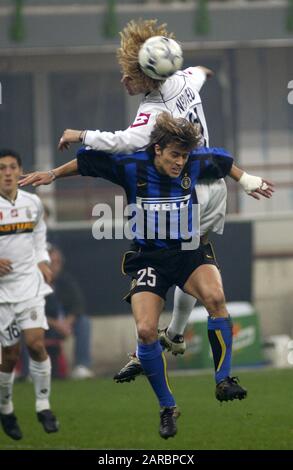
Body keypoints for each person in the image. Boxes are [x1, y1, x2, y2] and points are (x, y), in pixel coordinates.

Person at [54, 19, 273, 401]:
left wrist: (82, 135)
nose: (125, 83)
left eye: (129, 76)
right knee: (192, 259)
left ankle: (160, 340)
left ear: (148, 74)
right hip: (212, 185)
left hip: (186, 187)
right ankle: (172, 335)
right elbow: (198, 73)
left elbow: (121, 142)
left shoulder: (152, 114)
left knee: (176, 256)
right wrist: (206, 69)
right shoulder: (184, 79)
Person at [19, 112, 270, 439]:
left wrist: (247, 180)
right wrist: (52, 174)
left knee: (216, 298)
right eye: (173, 155)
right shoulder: (131, 166)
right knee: (146, 329)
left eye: (183, 155)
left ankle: (224, 380)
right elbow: (87, 164)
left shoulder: (196, 161)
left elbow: (224, 162)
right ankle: (168, 407)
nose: (180, 162)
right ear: (157, 150)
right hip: (149, 257)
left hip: (189, 251)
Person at [0, 149, 59, 441]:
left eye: (12, 167)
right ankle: (6, 406)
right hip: (1, 295)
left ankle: (43, 405)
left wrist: (42, 260)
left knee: (36, 344)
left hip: (30, 285)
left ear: (20, 171)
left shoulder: (32, 203)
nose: (8, 173)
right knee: (9, 355)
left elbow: (38, 235)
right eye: (2, 168)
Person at [45, 245, 93, 379]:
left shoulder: (66, 280)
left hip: (65, 324)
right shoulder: (36, 282)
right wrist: (56, 324)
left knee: (84, 322)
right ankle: (27, 371)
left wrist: (67, 323)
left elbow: (78, 304)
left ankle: (81, 366)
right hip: (45, 325)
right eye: (51, 263)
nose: (55, 266)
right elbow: (33, 310)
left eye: (58, 262)